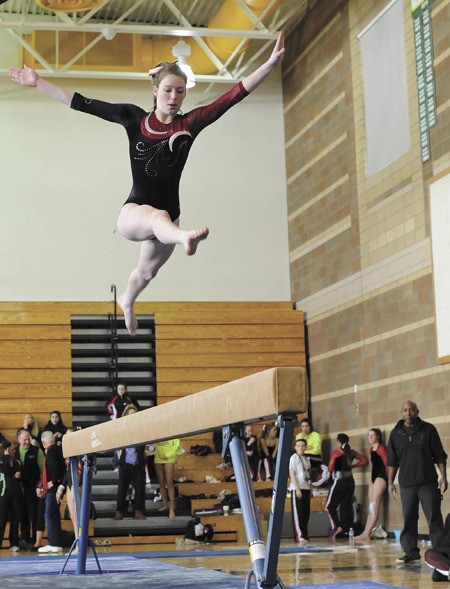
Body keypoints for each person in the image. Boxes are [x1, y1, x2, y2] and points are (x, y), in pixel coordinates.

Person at [8, 34, 285, 336]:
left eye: (180, 91)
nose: (174, 97)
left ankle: (127, 301)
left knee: (146, 272)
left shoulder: (190, 123)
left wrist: (270, 65)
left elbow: (234, 94)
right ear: (156, 90)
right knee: (157, 219)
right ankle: (184, 238)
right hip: (134, 213)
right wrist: (39, 83)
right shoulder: (133, 119)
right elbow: (81, 102)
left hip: (170, 214)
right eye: (168, 90)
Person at [387, 400, 447, 565]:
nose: (408, 412)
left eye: (411, 410)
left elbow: (440, 455)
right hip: (406, 484)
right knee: (409, 519)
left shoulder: (428, 429)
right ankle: (411, 552)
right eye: (405, 410)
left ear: (417, 411)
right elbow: (392, 461)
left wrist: (443, 476)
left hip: (428, 482)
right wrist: (390, 483)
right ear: (401, 413)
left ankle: (441, 553)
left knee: (434, 518)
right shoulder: (395, 433)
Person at [37, 430, 74, 553]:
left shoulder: (52, 450)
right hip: (57, 486)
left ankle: (53, 542)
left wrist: (53, 481)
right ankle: (56, 541)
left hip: (53, 488)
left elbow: (54, 466)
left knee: (50, 514)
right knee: (53, 514)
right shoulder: (58, 449)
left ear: (43, 442)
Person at [326, 433, 368, 539]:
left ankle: (337, 527)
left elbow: (330, 468)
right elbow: (365, 460)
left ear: (338, 442)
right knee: (345, 507)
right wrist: (353, 466)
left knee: (330, 506)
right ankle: (345, 530)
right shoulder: (351, 452)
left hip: (339, 482)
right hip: (350, 482)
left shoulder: (336, 453)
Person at [114, 405, 146, 521]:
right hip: (125, 462)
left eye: (135, 414)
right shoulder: (122, 428)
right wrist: (118, 457)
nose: (133, 416)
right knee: (122, 488)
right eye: (131, 414)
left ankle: (138, 511)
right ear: (127, 416)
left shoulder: (141, 428)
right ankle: (119, 511)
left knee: (139, 488)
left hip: (137, 463)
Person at [355, 428, 388, 542]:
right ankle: (366, 532)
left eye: (372, 436)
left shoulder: (381, 449)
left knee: (374, 506)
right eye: (369, 436)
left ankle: (367, 533)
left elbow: (386, 464)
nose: (370, 438)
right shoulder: (371, 449)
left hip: (381, 476)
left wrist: (390, 480)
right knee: (371, 506)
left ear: (378, 436)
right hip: (373, 477)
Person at [16, 428, 45, 549]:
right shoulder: (14, 452)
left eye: (29, 439)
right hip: (19, 488)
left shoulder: (37, 451)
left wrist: (39, 486)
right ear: (18, 440)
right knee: (22, 514)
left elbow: (43, 470)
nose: (27, 442)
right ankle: (23, 539)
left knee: (33, 514)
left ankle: (34, 540)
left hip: (33, 488)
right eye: (24, 440)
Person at [0, 440, 22, 552]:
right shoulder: (2, 461)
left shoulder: (16, 461)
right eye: (12, 449)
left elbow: (18, 474)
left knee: (15, 519)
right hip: (3, 494)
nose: (14, 451)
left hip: (16, 494)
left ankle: (14, 543)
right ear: (7, 450)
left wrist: (14, 473)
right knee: (1, 519)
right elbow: (5, 470)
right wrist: (6, 457)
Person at [289, 438, 311, 544]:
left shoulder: (306, 459)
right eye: (299, 446)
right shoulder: (294, 458)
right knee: (298, 513)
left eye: (303, 446)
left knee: (305, 513)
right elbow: (292, 473)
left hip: (306, 487)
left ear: (306, 447)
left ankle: (305, 534)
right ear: (295, 447)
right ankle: (299, 535)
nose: (301, 448)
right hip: (297, 488)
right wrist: (297, 488)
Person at [295, 418, 329, 487]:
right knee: (294, 458)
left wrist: (303, 449)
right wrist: (304, 440)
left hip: (316, 458)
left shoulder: (316, 435)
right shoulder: (298, 436)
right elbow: (298, 450)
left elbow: (316, 450)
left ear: (310, 426)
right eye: (303, 426)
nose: (304, 428)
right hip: (303, 457)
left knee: (304, 458)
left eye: (306, 426)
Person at [154, 438, 181, 519]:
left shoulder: (171, 430)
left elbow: (177, 445)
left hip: (169, 459)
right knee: (161, 483)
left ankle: (172, 509)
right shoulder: (155, 431)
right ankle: (165, 505)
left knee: (169, 483)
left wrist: (168, 454)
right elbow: (151, 445)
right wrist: (148, 451)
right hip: (158, 458)